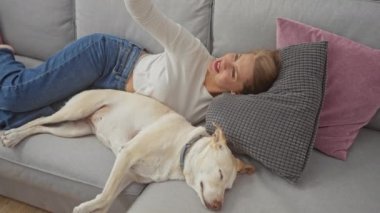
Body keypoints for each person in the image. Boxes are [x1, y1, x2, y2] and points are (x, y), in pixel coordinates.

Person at [0, 0, 280, 130]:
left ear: (237, 93)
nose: (226, 62)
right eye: (237, 57)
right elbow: (143, 12)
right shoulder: (193, 52)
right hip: (107, 60)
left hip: (111, 97)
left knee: (15, 119)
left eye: (234, 72)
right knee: (15, 95)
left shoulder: (211, 111)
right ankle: (3, 53)